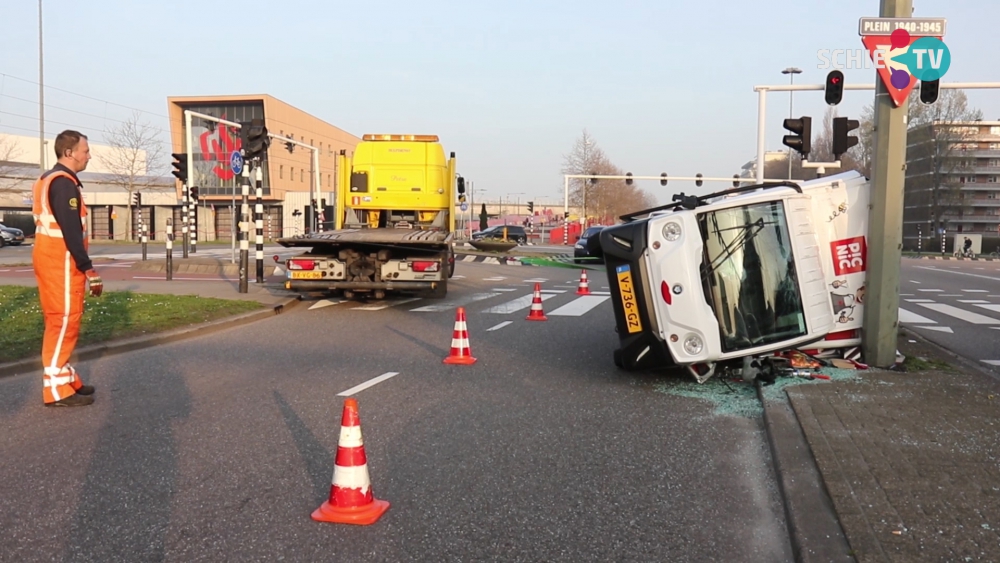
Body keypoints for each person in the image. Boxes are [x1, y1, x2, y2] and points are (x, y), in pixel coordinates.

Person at [31, 130, 103, 407]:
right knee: (64, 321)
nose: (89, 155)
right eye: (85, 150)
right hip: (61, 262)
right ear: (70, 153)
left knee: (59, 321)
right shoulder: (63, 184)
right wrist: (88, 268)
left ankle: (65, 376)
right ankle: (57, 391)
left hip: (51, 259)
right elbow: (71, 230)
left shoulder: (47, 179)